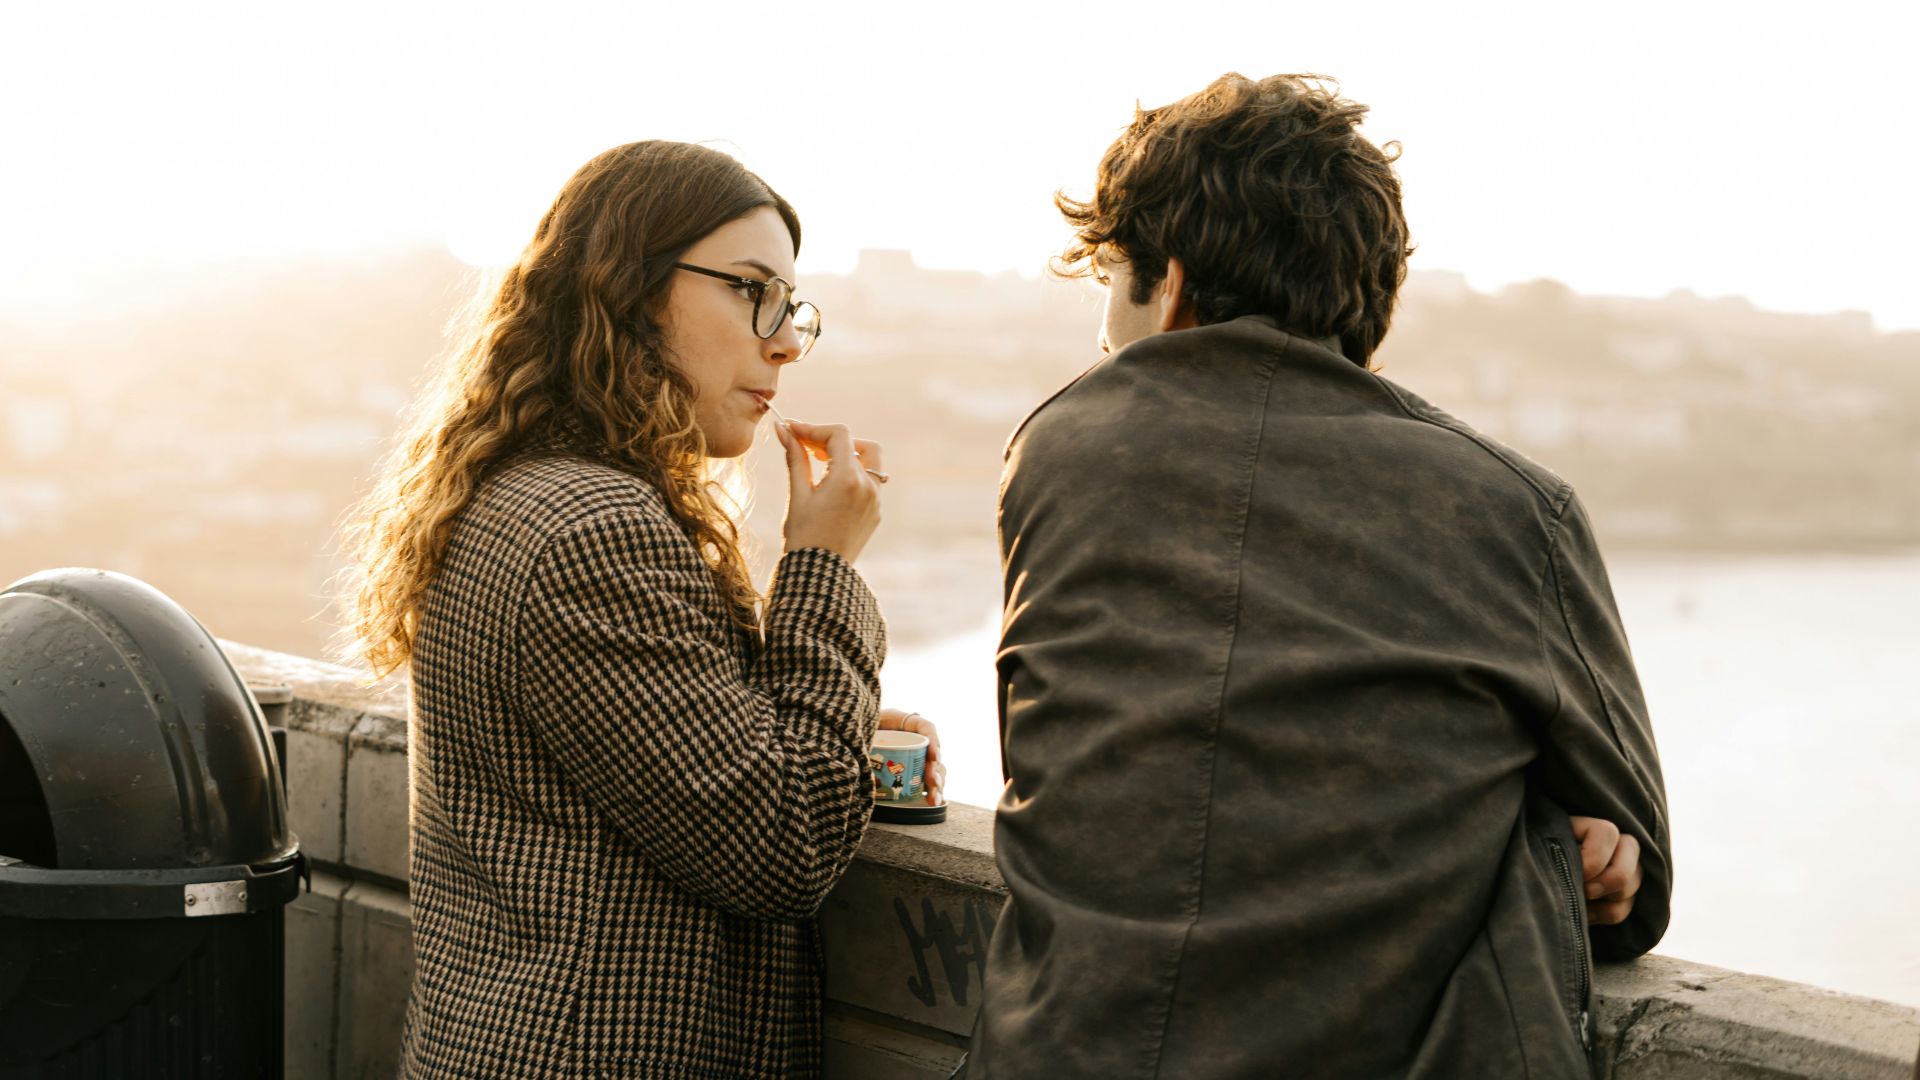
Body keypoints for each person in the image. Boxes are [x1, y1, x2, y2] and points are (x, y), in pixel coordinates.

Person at [967, 75, 1671, 1078]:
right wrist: (1553, 840)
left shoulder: (1058, 451)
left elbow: (1075, 771)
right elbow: (1636, 890)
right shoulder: (1514, 506)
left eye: (1106, 284)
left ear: (1165, 286)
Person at [341, 140, 942, 1079]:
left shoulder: (524, 490)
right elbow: (781, 846)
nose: (782, 340)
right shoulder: (595, 529)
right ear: (628, 287)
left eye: (793, 308)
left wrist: (821, 718)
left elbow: (646, 757)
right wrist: (821, 563)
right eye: (752, 290)